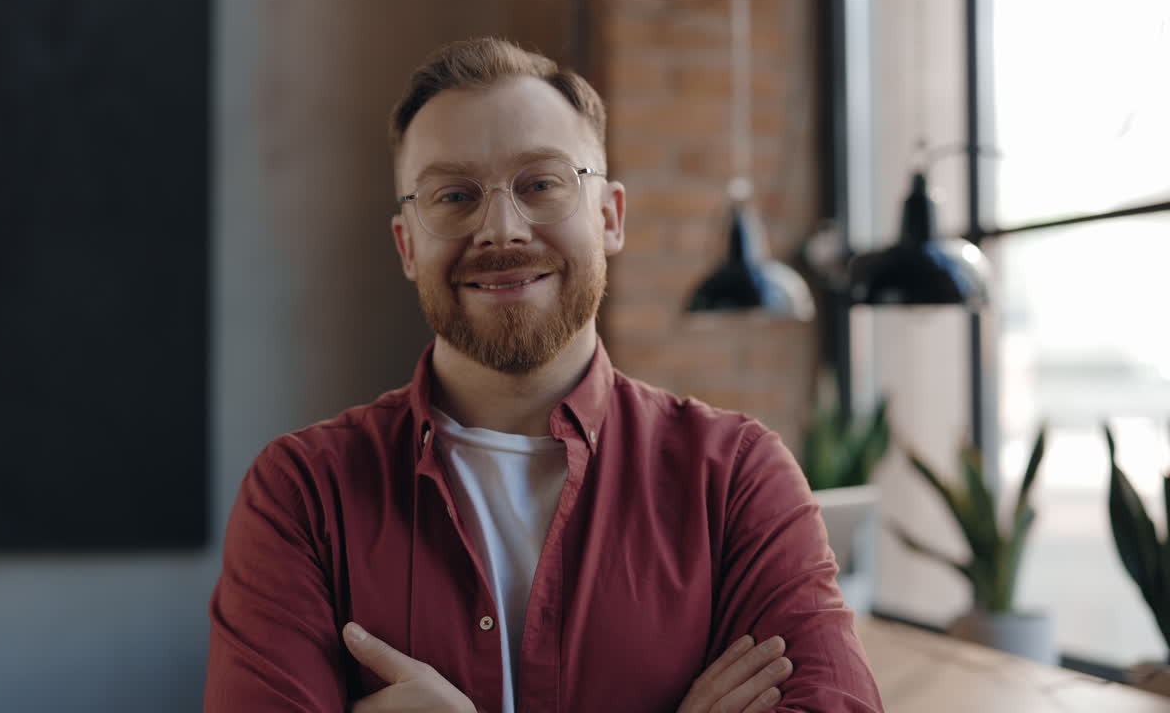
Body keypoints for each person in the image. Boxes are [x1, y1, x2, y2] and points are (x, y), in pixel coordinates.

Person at [204, 37, 883, 713]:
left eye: (541, 185)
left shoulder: (736, 479)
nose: (501, 229)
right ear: (408, 245)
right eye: (454, 196)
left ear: (610, 217)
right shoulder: (302, 497)